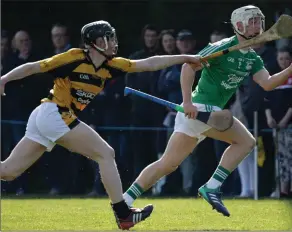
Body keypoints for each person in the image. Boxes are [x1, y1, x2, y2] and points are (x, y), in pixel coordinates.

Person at [0, 20, 202, 230]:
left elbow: (150, 63)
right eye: (109, 37)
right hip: (54, 114)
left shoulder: (112, 65)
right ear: (97, 42)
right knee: (105, 153)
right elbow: (35, 67)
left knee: (8, 171)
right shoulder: (74, 57)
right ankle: (123, 214)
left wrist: (186, 58)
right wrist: (4, 79)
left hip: (48, 117)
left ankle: (123, 214)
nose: (114, 42)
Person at [123, 5, 292, 217]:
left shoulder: (252, 58)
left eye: (259, 21)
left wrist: (290, 70)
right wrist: (187, 102)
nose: (258, 25)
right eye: (252, 21)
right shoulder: (221, 47)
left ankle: (125, 201)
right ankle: (212, 187)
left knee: (167, 164)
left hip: (203, 115)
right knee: (245, 141)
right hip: (201, 108)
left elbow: (267, 83)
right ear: (239, 25)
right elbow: (188, 67)